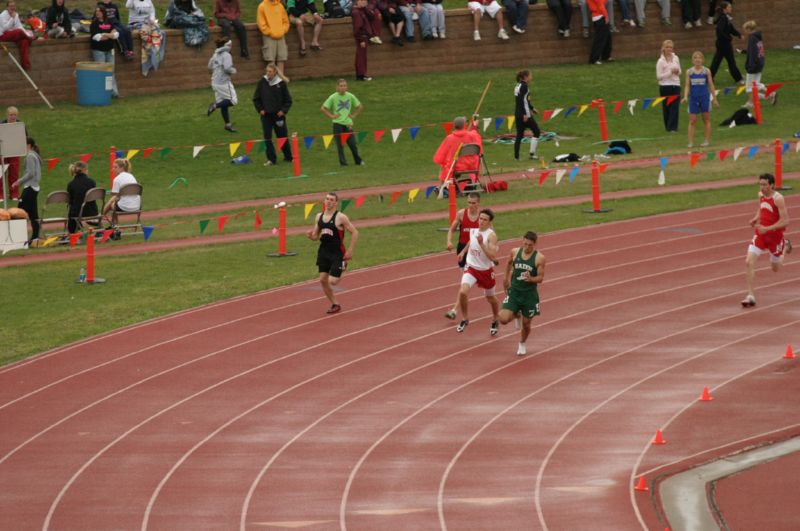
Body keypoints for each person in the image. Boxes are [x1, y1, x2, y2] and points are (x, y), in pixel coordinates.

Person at [742, 173, 792, 307]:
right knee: (748, 262)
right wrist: (755, 218)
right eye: (760, 184)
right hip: (760, 235)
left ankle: (785, 247)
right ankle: (751, 295)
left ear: (772, 185)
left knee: (775, 268)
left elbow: (785, 221)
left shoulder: (778, 199)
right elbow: (761, 208)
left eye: (765, 185)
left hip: (775, 237)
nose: (762, 187)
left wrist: (768, 228)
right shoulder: (761, 195)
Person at [306, 192, 359, 314]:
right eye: (327, 199)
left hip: (337, 252)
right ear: (324, 201)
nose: (328, 201)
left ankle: (343, 265)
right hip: (323, 251)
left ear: (335, 203)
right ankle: (335, 304)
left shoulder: (341, 217)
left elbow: (355, 232)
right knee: (323, 280)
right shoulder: (318, 216)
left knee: (333, 281)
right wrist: (310, 236)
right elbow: (315, 236)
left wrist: (350, 250)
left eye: (331, 200)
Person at [498, 231, 545, 356]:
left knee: (526, 324)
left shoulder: (539, 258)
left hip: (529, 296)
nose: (527, 247)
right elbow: (508, 264)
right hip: (514, 292)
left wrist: (532, 279)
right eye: (525, 244)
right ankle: (517, 314)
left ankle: (522, 342)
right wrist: (505, 278)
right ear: (522, 241)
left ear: (535, 244)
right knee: (502, 319)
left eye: (530, 245)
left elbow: (540, 278)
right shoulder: (514, 252)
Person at [453, 208, 500, 335]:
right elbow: (471, 241)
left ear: (490, 222)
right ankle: (465, 318)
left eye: (485, 219)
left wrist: (482, 244)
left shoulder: (491, 236)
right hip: (471, 268)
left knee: (490, 298)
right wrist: (463, 252)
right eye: (480, 218)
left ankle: (496, 318)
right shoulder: (474, 230)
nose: (481, 221)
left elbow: (492, 257)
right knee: (463, 292)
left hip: (485, 270)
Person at [444, 191, 481, 320]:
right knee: (465, 283)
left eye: (474, 203)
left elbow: (490, 234)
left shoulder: (483, 217)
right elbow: (451, 229)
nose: (471, 205)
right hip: (462, 250)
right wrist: (449, 241)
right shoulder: (461, 214)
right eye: (469, 203)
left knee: (467, 284)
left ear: (478, 203)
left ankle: (454, 310)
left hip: (476, 253)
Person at [252, 63, 294, 166]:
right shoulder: (262, 82)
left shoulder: (281, 84)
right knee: (267, 137)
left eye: (270, 72)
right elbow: (256, 98)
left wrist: (283, 111)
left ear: (275, 72)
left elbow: (288, 100)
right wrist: (260, 109)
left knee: (282, 136)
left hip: (278, 116)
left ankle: (288, 157)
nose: (268, 73)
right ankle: (271, 159)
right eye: (267, 71)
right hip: (266, 116)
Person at [321, 79, 364, 166]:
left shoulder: (350, 96)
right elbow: (323, 108)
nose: (343, 87)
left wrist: (353, 115)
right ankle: (343, 163)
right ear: (337, 87)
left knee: (353, 144)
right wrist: (332, 116)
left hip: (348, 124)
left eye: (344, 86)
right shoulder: (333, 97)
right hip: (337, 124)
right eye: (341, 86)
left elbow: (360, 106)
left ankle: (358, 161)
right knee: (340, 145)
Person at [682, 50, 718, 148]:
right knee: (692, 120)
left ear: (702, 60)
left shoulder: (706, 71)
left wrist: (714, 98)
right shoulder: (689, 72)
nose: (697, 59)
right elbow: (687, 85)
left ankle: (706, 141)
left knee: (706, 119)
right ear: (692, 60)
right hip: (693, 98)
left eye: (699, 58)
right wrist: (685, 96)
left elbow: (711, 84)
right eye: (695, 58)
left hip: (704, 98)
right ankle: (690, 142)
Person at [433, 115, 482, 186]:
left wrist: (442, 161)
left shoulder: (449, 138)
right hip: (472, 165)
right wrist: (474, 126)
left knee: (444, 165)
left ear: (454, 126)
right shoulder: (472, 135)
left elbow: (441, 155)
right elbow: (477, 140)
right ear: (464, 125)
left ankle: (443, 187)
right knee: (447, 164)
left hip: (455, 166)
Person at [11, 137, 41, 245]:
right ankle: (35, 238)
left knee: (18, 213)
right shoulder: (35, 155)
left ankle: (18, 239)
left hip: (30, 187)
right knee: (33, 214)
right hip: (34, 187)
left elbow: (31, 173)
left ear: (28, 145)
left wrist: (18, 182)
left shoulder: (30, 156)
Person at [741, 20, 776, 108]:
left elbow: (753, 54)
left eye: (745, 29)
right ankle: (751, 102)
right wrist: (743, 51)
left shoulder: (752, 38)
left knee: (750, 87)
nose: (744, 32)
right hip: (759, 64)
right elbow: (756, 51)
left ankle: (770, 94)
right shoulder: (757, 37)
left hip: (754, 66)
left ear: (749, 29)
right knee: (751, 87)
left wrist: (750, 66)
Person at [207, 38, 238, 132]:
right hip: (224, 82)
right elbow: (227, 68)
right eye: (230, 45)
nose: (231, 46)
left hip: (214, 82)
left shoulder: (215, 54)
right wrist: (234, 70)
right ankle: (214, 106)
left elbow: (209, 66)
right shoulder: (227, 55)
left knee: (224, 103)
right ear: (227, 46)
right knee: (233, 100)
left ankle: (227, 125)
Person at [89, 6, 120, 98]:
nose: (97, 13)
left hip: (110, 50)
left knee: (111, 71)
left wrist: (105, 34)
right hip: (98, 51)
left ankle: (114, 93)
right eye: (96, 11)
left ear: (103, 12)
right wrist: (110, 35)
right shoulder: (94, 24)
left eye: (99, 11)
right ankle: (102, 93)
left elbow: (116, 35)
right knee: (101, 72)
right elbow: (97, 38)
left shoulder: (109, 22)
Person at [709, 1, 742, 84]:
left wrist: (738, 34)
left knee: (716, 62)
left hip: (723, 44)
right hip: (724, 44)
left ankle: (709, 78)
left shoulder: (725, 17)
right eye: (729, 7)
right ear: (724, 9)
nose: (731, 8)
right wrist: (728, 38)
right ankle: (738, 79)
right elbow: (719, 31)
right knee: (730, 62)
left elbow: (730, 28)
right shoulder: (723, 18)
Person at [257, 0, 290, 78]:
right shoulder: (262, 6)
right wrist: (270, 32)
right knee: (270, 60)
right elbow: (261, 23)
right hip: (269, 37)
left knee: (281, 58)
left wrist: (283, 31)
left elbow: (286, 21)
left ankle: (280, 81)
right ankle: (271, 81)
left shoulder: (280, 6)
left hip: (281, 36)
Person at [513, 69, 541, 161]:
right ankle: (532, 154)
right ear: (525, 77)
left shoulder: (518, 85)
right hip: (525, 115)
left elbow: (525, 100)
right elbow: (521, 101)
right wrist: (525, 114)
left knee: (519, 135)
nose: (531, 77)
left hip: (517, 114)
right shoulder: (524, 86)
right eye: (530, 75)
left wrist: (532, 108)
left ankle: (516, 157)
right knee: (536, 131)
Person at [1, 106, 26, 201]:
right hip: (3, 152)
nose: (13, 116)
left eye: (15, 114)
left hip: (15, 152)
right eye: (11, 115)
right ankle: (1, 195)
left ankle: (14, 194)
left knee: (14, 174)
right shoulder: (1, 125)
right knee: (1, 174)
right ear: (7, 115)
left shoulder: (20, 125)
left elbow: (25, 138)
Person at [0, 0, 35, 70]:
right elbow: (5, 28)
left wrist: (26, 32)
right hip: (3, 35)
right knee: (19, 32)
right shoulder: (2, 15)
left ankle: (25, 64)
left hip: (14, 35)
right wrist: (12, 18)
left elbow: (19, 26)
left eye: (14, 6)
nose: (12, 8)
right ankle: (31, 38)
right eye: (11, 6)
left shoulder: (16, 15)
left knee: (24, 41)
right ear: (7, 7)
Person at [656, 39, 681, 133]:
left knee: (675, 107)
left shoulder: (676, 58)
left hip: (676, 85)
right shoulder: (660, 61)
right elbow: (659, 77)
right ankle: (668, 126)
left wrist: (677, 71)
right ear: (663, 48)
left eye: (670, 47)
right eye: (667, 47)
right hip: (665, 86)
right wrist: (670, 72)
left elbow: (680, 71)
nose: (669, 49)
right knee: (666, 107)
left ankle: (673, 128)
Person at [66, 161, 98, 233]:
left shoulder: (71, 184)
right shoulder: (92, 182)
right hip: (92, 212)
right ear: (84, 170)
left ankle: (72, 233)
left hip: (78, 213)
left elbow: (70, 201)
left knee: (72, 210)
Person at [351, 0, 376, 81]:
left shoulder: (362, 11)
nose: (364, 2)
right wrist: (360, 39)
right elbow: (357, 27)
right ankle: (361, 75)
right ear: (357, 2)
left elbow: (372, 16)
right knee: (361, 56)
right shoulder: (356, 12)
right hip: (362, 36)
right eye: (361, 1)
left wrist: (365, 8)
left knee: (362, 56)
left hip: (364, 36)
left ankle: (362, 74)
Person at [587, 0, 612, 65]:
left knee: (607, 37)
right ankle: (594, 59)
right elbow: (600, 5)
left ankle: (606, 56)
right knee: (599, 39)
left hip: (598, 16)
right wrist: (606, 16)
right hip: (600, 16)